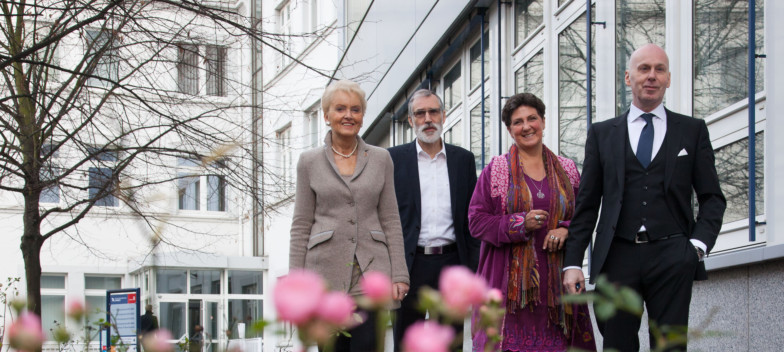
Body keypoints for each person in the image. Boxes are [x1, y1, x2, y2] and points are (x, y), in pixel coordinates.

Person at [563, 44, 726, 351]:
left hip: (673, 256)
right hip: (617, 257)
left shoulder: (691, 130)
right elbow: (586, 205)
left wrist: (696, 248)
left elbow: (712, 197)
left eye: (659, 69)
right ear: (628, 77)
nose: (651, 76)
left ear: (668, 79)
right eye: (644, 69)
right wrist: (572, 262)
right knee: (617, 345)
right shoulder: (602, 134)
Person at [468, 93, 596, 351]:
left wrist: (565, 229)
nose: (526, 126)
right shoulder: (496, 170)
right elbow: (476, 221)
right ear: (509, 129)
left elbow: (584, 216)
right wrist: (518, 224)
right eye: (518, 122)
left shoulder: (568, 169)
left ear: (544, 122)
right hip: (508, 294)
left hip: (559, 289)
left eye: (532, 118)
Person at [289, 79, 410, 351]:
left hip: (372, 276)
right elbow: (300, 226)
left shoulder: (381, 159)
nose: (348, 115)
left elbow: (391, 218)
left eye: (355, 110)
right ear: (326, 115)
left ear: (363, 116)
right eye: (340, 109)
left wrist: (399, 274)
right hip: (325, 277)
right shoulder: (309, 162)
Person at [388, 89, 480, 351]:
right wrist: (393, 270)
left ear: (444, 115)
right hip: (409, 267)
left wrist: (472, 271)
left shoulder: (463, 160)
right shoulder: (392, 160)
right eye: (420, 113)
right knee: (406, 344)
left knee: (450, 344)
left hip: (452, 265)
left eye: (433, 111)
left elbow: (470, 221)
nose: (428, 118)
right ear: (410, 120)